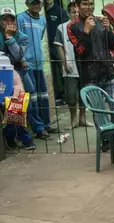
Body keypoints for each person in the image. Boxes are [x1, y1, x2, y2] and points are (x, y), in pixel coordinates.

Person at [67, 0, 114, 151]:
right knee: (98, 111)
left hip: (108, 72)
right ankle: (105, 141)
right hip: (90, 76)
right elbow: (80, 51)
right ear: (77, 6)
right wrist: (86, 32)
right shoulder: (72, 26)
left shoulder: (100, 21)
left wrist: (108, 30)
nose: (88, 7)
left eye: (91, 3)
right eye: (84, 4)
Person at [17, 0, 57, 138]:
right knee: (32, 98)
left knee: (43, 97)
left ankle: (46, 125)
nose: (37, 6)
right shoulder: (20, 18)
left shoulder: (42, 20)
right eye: (33, 3)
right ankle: (38, 129)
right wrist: (22, 59)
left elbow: (39, 39)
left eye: (39, 3)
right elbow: (19, 41)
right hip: (26, 64)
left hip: (39, 63)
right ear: (27, 4)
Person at [0, 9, 37, 150]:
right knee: (9, 106)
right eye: (5, 20)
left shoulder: (22, 37)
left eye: (11, 19)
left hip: (17, 74)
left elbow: (17, 56)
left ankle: (12, 135)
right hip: (1, 73)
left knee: (19, 104)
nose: (9, 23)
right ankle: (21, 138)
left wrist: (10, 38)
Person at [53, 2, 89, 128]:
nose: (76, 14)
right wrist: (65, 63)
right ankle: (74, 119)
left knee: (84, 94)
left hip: (85, 67)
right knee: (71, 95)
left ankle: (83, 118)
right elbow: (59, 46)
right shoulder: (62, 27)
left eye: (77, 12)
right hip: (70, 68)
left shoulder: (86, 25)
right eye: (73, 12)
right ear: (68, 13)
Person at [44, 0, 68, 106]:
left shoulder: (60, 11)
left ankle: (64, 96)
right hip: (46, 47)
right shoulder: (41, 10)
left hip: (58, 46)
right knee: (52, 72)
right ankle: (56, 95)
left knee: (61, 70)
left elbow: (67, 29)